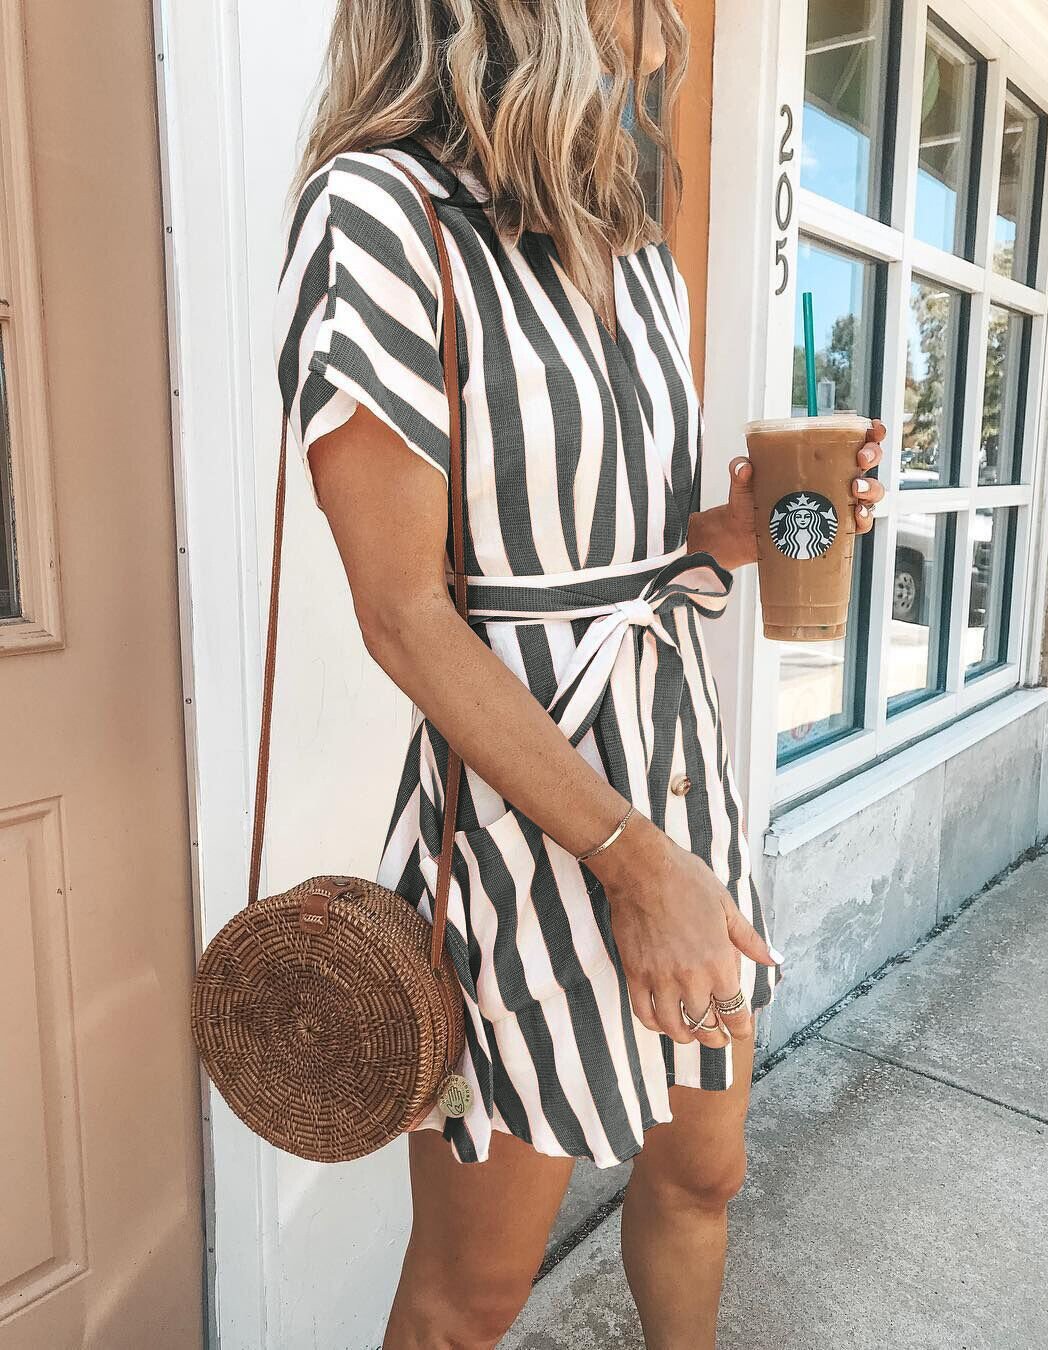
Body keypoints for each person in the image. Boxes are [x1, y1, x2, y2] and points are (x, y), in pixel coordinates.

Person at [274, 2, 886, 1345]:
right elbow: (402, 614)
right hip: (520, 833)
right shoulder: (382, 217)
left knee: (703, 1172)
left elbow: (635, 553)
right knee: (473, 1292)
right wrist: (632, 864)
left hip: (682, 789)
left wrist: (738, 531)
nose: (671, 21)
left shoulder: (636, 252)